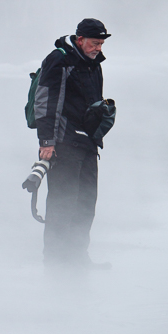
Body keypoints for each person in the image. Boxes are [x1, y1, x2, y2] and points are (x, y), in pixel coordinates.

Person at [35, 18, 112, 269]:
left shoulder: (93, 64)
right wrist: (47, 140)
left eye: (101, 43)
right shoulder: (60, 60)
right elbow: (45, 101)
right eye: (94, 43)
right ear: (80, 40)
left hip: (88, 144)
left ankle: (78, 258)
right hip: (64, 144)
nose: (98, 48)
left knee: (85, 204)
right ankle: (55, 263)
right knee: (62, 205)